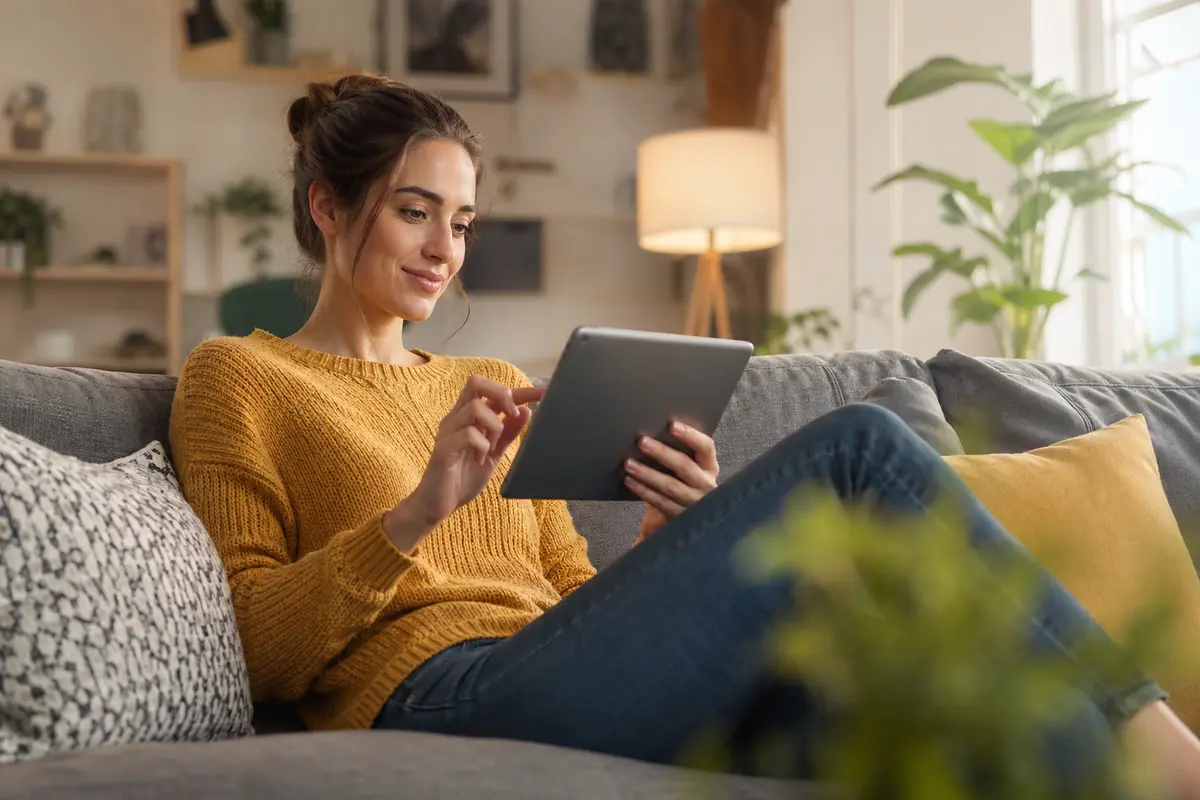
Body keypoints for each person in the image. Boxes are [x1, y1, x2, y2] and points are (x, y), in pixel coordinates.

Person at [168, 74, 1200, 795]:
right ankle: (1158, 736)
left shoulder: (485, 379)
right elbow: (253, 648)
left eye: (465, 220)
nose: (447, 248)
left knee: (896, 715)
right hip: (437, 693)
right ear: (327, 205)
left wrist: (673, 531)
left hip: (554, 668)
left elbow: (574, 599)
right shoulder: (240, 376)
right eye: (415, 212)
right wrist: (414, 512)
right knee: (859, 447)